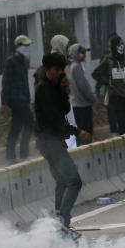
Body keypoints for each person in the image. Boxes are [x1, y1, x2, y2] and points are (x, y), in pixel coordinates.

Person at [34, 53, 91, 235]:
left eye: (61, 70)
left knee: (61, 181)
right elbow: (55, 119)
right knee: (74, 181)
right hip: (49, 141)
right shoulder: (43, 90)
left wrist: (64, 90)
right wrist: (77, 132)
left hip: (54, 141)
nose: (59, 73)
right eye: (56, 70)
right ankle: (63, 221)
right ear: (47, 70)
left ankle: (60, 225)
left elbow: (65, 109)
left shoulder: (54, 87)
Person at [92, 35, 125, 135]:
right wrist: (107, 81)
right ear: (114, 46)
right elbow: (95, 74)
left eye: (122, 44)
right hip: (115, 95)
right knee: (121, 121)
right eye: (119, 44)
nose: (121, 46)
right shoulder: (108, 60)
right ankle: (123, 140)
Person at [1, 35, 33, 163]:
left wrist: (28, 98)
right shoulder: (11, 62)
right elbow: (6, 82)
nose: (27, 48)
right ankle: (22, 154)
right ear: (18, 46)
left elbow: (25, 82)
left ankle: (11, 157)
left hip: (23, 99)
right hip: (15, 99)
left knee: (16, 126)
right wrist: (4, 102)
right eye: (25, 46)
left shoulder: (24, 61)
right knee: (30, 124)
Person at [67, 43, 95, 142]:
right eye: (82, 52)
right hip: (82, 105)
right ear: (75, 53)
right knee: (86, 132)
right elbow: (83, 86)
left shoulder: (73, 66)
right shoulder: (76, 67)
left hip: (76, 104)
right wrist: (93, 98)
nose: (84, 55)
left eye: (85, 52)